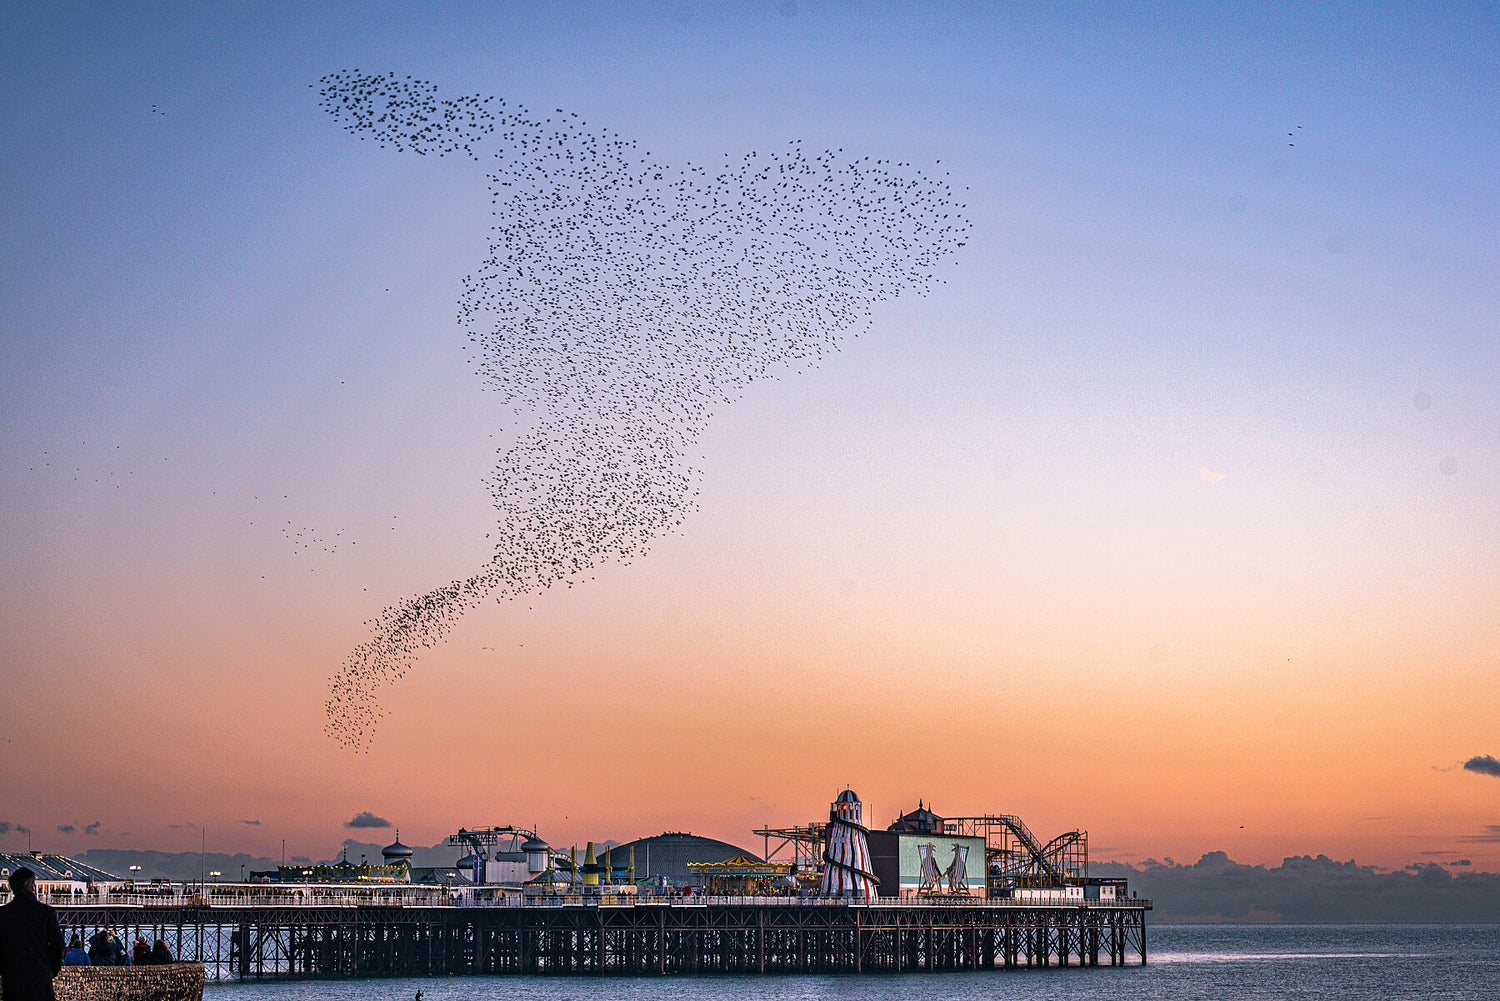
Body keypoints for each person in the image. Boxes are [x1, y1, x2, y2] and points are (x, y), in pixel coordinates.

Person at [0, 866, 65, 1001]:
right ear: (33, 887)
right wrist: (50, 970)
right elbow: (58, 946)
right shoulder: (46, 913)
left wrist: (5, 970)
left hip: (12, 980)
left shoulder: (3, 914)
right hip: (40, 980)